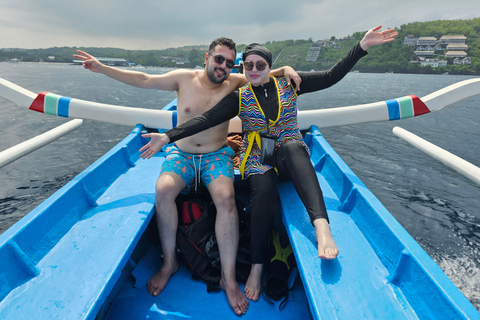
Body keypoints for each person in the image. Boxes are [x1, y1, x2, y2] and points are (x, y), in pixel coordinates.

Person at [139, 26, 398, 302]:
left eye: (260, 65)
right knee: (262, 191)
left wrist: (362, 47)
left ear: (269, 67)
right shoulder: (240, 97)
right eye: (248, 65)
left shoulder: (290, 84)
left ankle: (321, 226)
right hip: (259, 155)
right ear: (243, 67)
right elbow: (205, 119)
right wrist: (167, 136)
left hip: (289, 157)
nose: (253, 69)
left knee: (292, 146)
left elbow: (331, 77)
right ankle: (256, 267)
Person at [73, 37, 299, 316]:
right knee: (164, 189)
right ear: (207, 57)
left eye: (229, 63)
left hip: (217, 156)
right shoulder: (183, 78)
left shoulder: (235, 81)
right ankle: (170, 263)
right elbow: (143, 79)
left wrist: (287, 67)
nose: (223, 67)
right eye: (219, 59)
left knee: (226, 199)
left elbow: (265, 72)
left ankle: (228, 279)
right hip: (182, 154)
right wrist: (102, 67)